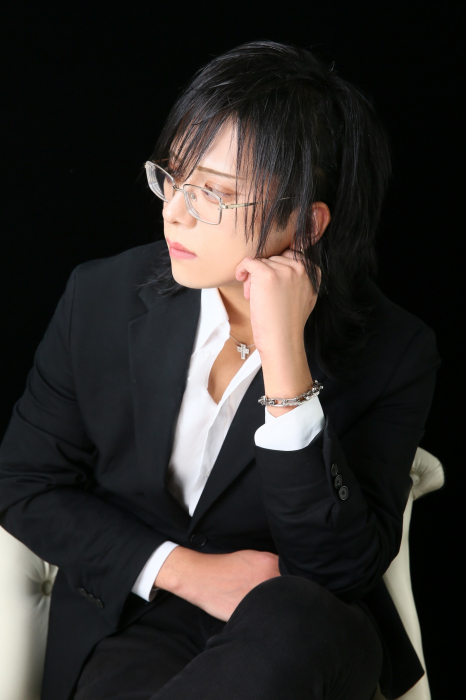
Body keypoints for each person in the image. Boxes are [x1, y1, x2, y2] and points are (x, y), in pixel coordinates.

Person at [0, 41, 440, 700]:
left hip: (305, 628)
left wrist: (285, 360)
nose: (174, 210)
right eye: (173, 177)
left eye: (213, 192)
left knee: (300, 617)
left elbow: (340, 569)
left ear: (306, 222)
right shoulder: (101, 297)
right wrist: (186, 571)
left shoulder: (395, 352)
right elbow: (24, 483)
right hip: (139, 616)